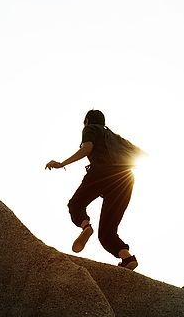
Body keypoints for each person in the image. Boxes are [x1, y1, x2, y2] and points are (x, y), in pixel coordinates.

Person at [45, 109, 139, 271]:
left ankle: (86, 226)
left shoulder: (91, 129)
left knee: (76, 204)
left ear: (87, 121)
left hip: (102, 172)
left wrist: (62, 164)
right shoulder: (116, 138)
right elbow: (139, 154)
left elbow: (87, 148)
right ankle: (127, 258)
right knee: (107, 232)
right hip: (125, 179)